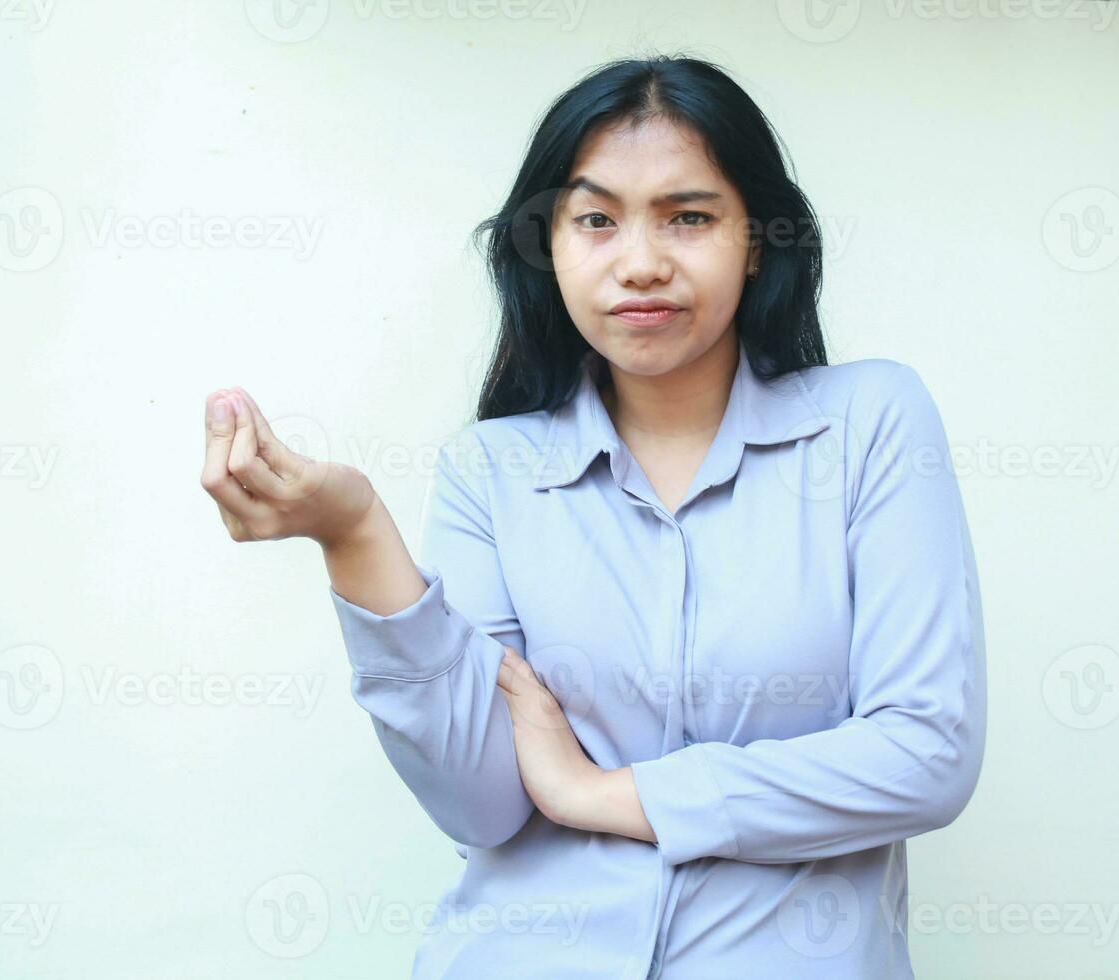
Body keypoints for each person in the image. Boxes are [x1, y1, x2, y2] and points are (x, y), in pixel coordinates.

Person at [201, 53, 986, 980]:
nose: (642, 263)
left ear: (759, 240)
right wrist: (356, 537)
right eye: (597, 220)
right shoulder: (489, 471)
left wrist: (597, 791)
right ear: (551, 246)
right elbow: (482, 808)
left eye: (689, 217)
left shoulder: (872, 425)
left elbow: (924, 753)